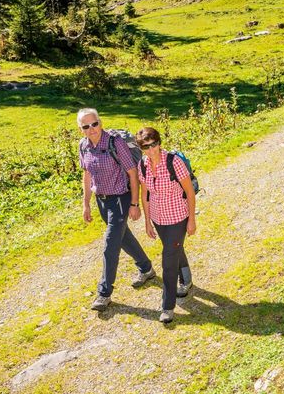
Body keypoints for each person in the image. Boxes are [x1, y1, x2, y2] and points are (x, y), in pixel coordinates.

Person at [78, 108, 155, 311]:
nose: (91, 129)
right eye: (86, 126)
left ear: (100, 123)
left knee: (110, 244)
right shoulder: (83, 146)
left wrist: (134, 203)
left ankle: (104, 293)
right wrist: (86, 203)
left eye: (94, 124)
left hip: (120, 198)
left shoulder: (114, 142)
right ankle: (146, 268)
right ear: (81, 129)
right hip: (101, 201)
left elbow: (132, 172)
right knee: (122, 238)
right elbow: (86, 175)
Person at [135, 127, 197, 324]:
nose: (151, 149)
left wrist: (192, 219)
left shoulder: (174, 161)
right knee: (174, 249)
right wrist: (147, 221)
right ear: (141, 148)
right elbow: (145, 195)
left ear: (159, 143)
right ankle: (186, 279)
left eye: (154, 144)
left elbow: (189, 191)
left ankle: (167, 306)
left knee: (168, 259)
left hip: (178, 216)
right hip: (158, 218)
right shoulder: (142, 164)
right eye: (146, 146)